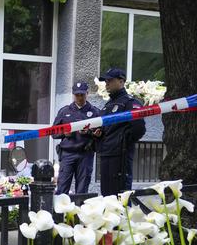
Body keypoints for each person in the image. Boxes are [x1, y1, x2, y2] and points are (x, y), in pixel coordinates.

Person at [94, 68, 146, 196]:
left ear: (121, 82)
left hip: (120, 156)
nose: (107, 84)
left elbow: (139, 128)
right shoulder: (108, 105)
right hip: (106, 154)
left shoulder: (130, 102)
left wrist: (122, 141)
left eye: (110, 80)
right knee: (107, 196)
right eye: (105, 81)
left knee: (120, 196)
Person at [52, 81, 100, 195]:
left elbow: (101, 134)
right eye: (77, 95)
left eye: (82, 95)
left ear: (87, 93)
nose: (79, 97)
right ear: (73, 94)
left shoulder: (95, 112)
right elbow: (53, 133)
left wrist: (90, 133)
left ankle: (79, 213)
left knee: (82, 191)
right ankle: (60, 213)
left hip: (85, 154)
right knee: (62, 188)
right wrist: (64, 133)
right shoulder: (65, 111)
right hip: (67, 154)